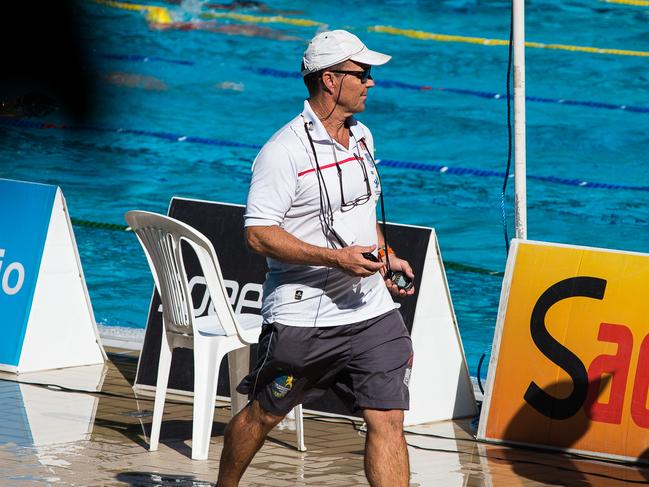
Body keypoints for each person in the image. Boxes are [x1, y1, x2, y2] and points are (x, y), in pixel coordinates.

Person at [216, 30, 416, 487]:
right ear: (330, 79)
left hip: (371, 313)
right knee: (264, 414)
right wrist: (335, 260)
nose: (371, 83)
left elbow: (361, 216)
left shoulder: (362, 137)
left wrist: (386, 257)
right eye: (361, 74)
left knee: (388, 419)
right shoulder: (282, 152)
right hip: (305, 318)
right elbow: (258, 234)